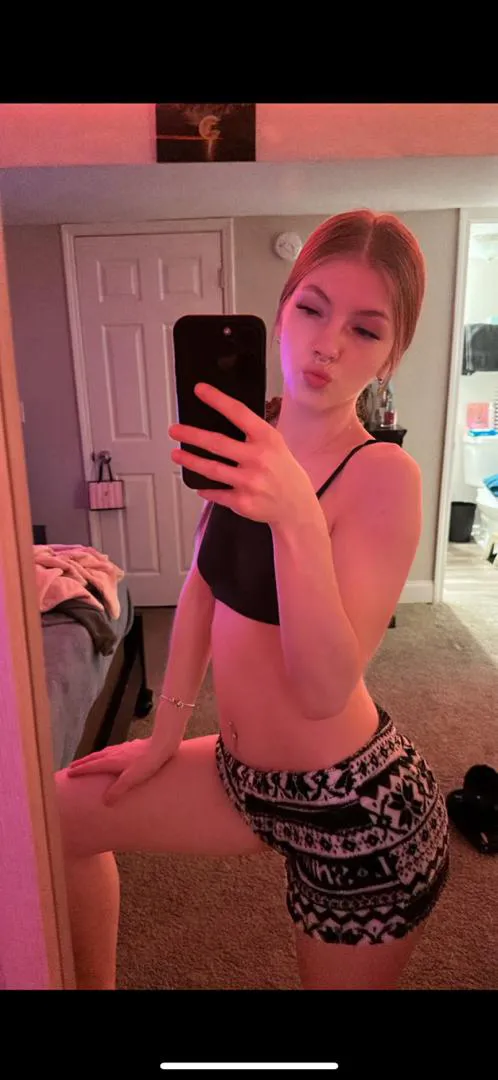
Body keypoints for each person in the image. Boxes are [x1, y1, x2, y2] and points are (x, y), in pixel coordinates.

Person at [57, 209, 449, 991]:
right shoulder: (253, 436)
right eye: (312, 309)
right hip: (241, 777)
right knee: (60, 815)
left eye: (365, 329)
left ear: (392, 354)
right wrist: (165, 733)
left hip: (356, 812)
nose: (328, 344)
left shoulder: (383, 477)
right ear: (282, 308)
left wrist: (298, 516)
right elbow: (203, 582)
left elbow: (323, 688)